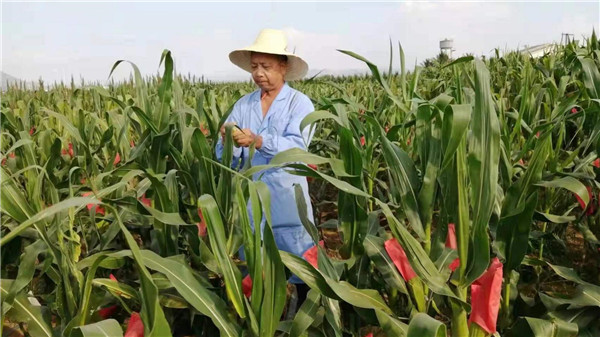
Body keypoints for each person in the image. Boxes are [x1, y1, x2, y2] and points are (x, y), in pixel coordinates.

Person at [215, 28, 315, 305]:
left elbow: (298, 148)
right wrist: (228, 140)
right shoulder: (243, 105)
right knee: (254, 264)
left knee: (300, 265)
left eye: (266, 66)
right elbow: (223, 153)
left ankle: (305, 321)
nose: (259, 73)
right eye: (255, 66)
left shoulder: (300, 104)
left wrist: (259, 141)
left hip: (287, 198)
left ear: (283, 67)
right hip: (251, 200)